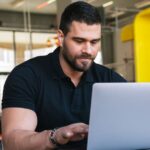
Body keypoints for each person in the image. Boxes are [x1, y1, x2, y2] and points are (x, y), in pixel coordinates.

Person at [1, 1, 126, 150]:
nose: (88, 50)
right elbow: (12, 142)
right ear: (61, 38)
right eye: (79, 41)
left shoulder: (111, 80)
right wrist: (56, 136)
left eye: (94, 42)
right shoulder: (26, 76)